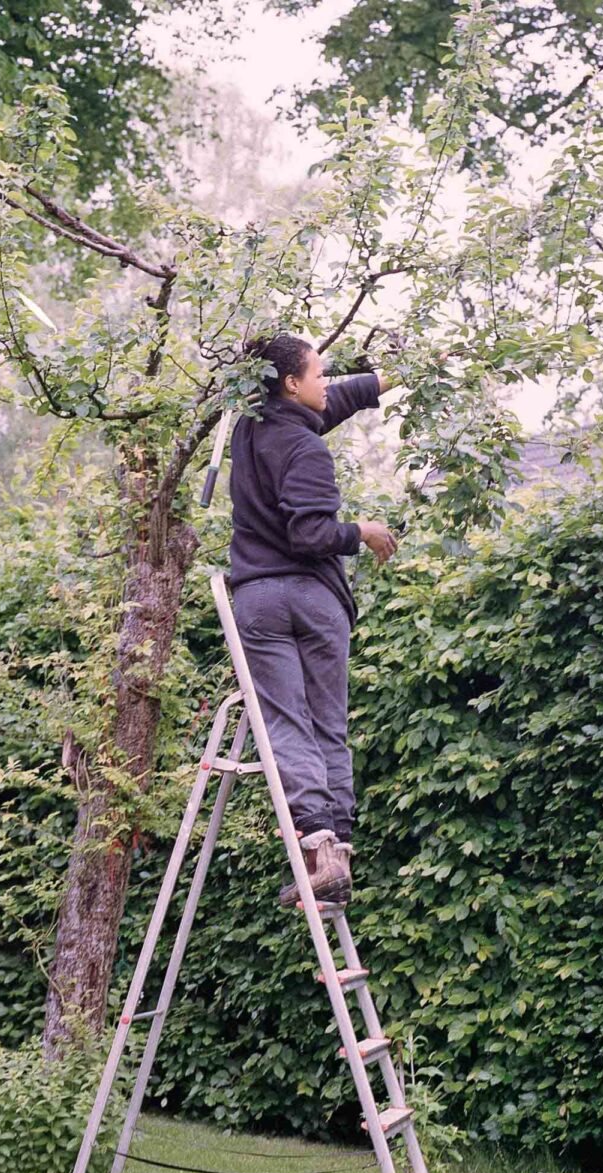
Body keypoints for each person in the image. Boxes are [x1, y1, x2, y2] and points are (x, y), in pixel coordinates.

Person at [228, 332, 398, 907]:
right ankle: (335, 852)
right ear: (290, 384)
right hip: (312, 599)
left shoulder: (250, 429)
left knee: (286, 725)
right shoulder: (307, 450)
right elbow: (310, 535)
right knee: (325, 725)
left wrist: (387, 379)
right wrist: (362, 531)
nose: (327, 383)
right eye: (318, 375)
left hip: (257, 598)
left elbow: (334, 402)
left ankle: (322, 858)